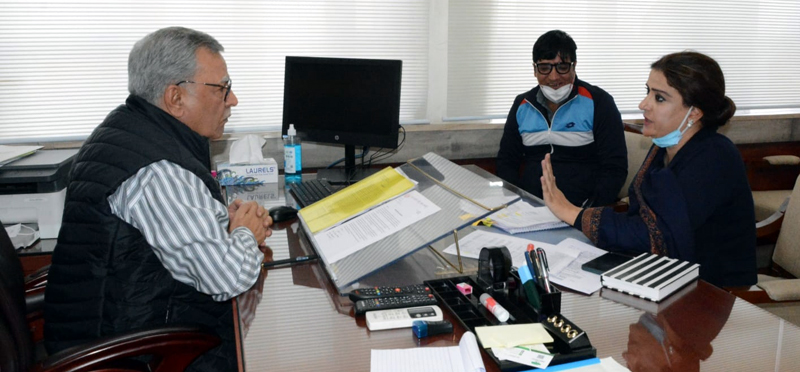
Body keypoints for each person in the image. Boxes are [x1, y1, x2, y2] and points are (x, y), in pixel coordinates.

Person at [43, 27, 272, 372]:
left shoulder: (130, 130)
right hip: (140, 354)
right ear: (175, 98)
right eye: (222, 88)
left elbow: (156, 230)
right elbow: (228, 277)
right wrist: (245, 232)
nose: (233, 100)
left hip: (120, 324)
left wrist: (219, 218)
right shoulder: (156, 170)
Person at [541, 51, 757, 288]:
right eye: (648, 92)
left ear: (694, 112)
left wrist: (572, 213)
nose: (644, 105)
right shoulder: (664, 147)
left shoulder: (714, 157)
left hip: (711, 294)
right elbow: (640, 218)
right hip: (664, 279)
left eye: (660, 98)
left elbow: (654, 237)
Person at [496, 29, 627, 208]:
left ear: (574, 66)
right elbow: (507, 161)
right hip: (529, 209)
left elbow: (615, 168)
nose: (554, 77)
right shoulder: (522, 104)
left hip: (581, 210)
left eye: (562, 67)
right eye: (544, 68)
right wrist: (516, 203)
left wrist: (587, 212)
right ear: (534, 70)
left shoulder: (599, 102)